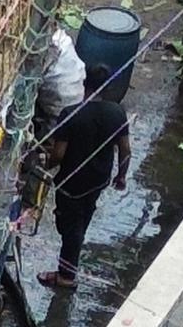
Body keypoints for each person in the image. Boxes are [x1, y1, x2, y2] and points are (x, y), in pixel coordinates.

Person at [39, 65, 131, 291]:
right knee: (80, 220)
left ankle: (66, 276)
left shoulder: (70, 114)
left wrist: (45, 164)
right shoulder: (117, 113)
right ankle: (67, 266)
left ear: (84, 83)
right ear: (108, 86)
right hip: (98, 181)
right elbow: (125, 150)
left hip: (72, 183)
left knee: (70, 228)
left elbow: (58, 155)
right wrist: (121, 176)